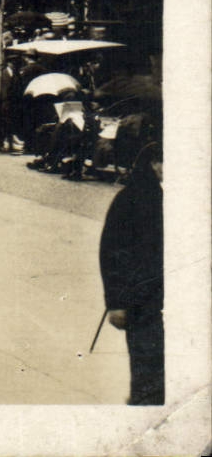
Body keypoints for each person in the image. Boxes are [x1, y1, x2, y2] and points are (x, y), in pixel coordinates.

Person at [99, 141, 164, 405]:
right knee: (148, 375)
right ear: (154, 164)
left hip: (179, 302)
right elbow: (111, 253)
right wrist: (116, 303)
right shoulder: (130, 198)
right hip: (142, 303)